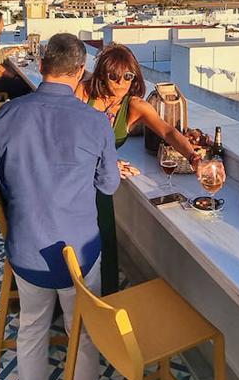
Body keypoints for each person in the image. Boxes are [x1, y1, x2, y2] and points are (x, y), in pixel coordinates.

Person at [0, 34, 119, 380]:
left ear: (41, 67)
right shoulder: (95, 122)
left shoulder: (6, 116)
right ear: (81, 71)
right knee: (83, 334)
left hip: (26, 251)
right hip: (80, 256)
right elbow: (108, 185)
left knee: (31, 328)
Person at [75, 43, 207, 295]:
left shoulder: (134, 106)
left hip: (101, 182)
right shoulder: (83, 93)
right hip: (75, 177)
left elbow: (168, 131)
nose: (121, 82)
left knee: (102, 239)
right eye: (114, 75)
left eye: (128, 76)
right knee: (73, 240)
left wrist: (193, 157)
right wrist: (103, 162)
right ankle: (67, 299)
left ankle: (102, 302)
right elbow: (66, 137)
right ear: (102, 74)